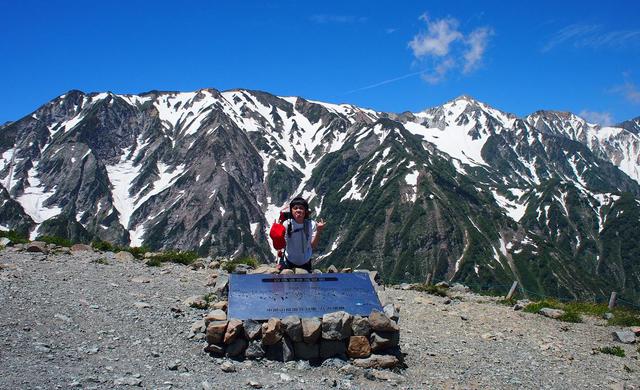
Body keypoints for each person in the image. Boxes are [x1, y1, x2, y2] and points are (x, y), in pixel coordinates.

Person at [275, 197, 325, 272]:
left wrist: (318, 231)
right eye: (295, 208)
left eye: (301, 208)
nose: (298, 210)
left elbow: (313, 245)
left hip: (305, 262)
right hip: (289, 261)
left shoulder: (312, 224)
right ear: (291, 211)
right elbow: (281, 245)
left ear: (305, 211)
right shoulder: (286, 224)